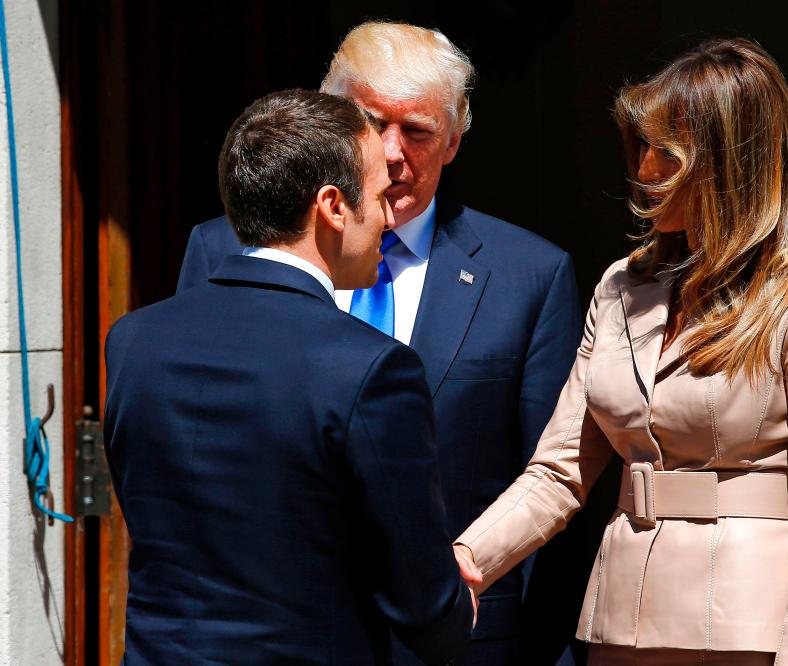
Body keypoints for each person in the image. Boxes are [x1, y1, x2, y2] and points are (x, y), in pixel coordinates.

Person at [176, 22, 585, 664]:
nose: (391, 152)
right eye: (368, 123)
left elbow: (555, 481)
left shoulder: (528, 277)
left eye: (417, 131)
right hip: (270, 634)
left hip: (458, 643)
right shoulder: (225, 249)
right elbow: (189, 447)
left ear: (453, 141)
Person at [454, 38, 788, 665]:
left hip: (745, 633)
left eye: (666, 154)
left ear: (731, 164)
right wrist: (465, 561)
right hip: (618, 625)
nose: (643, 171)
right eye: (641, 146)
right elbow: (558, 472)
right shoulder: (622, 286)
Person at [103, 89, 474, 665]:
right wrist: (456, 607)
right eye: (377, 196)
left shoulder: (133, 341)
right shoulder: (370, 369)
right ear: (331, 206)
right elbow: (419, 600)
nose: (386, 215)